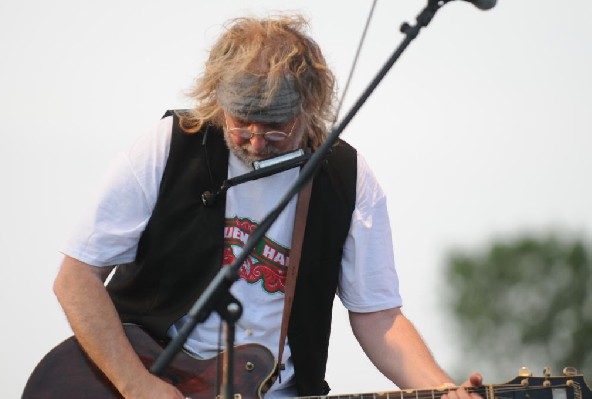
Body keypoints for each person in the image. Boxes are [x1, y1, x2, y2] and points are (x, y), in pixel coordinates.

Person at [53, 13, 482, 399]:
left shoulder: (347, 176)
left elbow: (378, 316)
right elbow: (76, 279)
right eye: (241, 121)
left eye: (277, 126)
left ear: (310, 107)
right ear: (217, 101)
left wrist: (442, 390)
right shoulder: (168, 147)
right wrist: (137, 384)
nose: (257, 141)